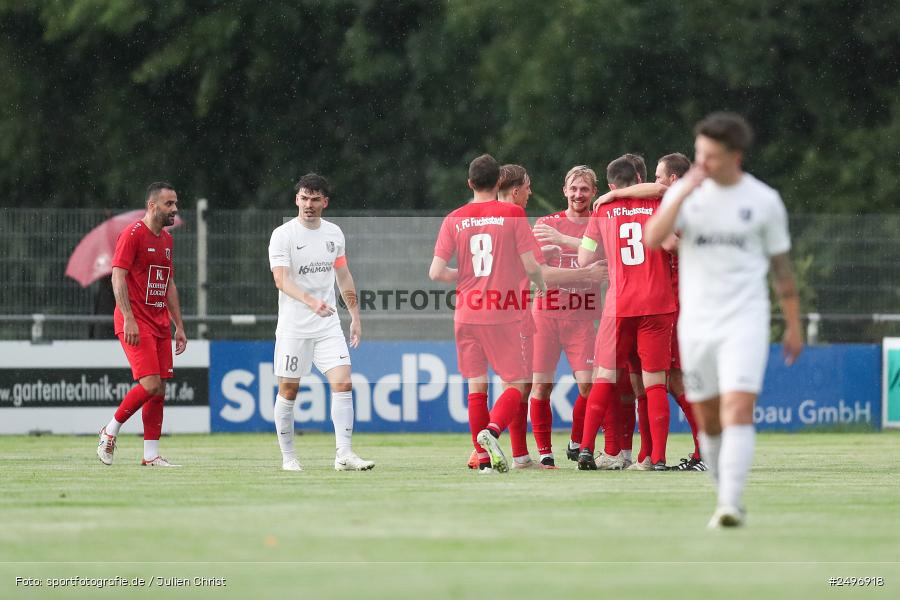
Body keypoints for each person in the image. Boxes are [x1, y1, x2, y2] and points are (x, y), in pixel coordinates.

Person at [645, 112, 803, 527]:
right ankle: (723, 489)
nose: (702, 163)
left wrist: (794, 323)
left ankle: (730, 503)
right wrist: (678, 194)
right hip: (696, 325)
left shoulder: (763, 201)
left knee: (737, 409)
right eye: (698, 154)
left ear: (735, 156)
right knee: (710, 419)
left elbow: (782, 270)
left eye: (710, 156)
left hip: (744, 322)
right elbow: (651, 236)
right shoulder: (687, 197)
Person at [430, 154, 546, 473]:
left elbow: (436, 272)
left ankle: (482, 460)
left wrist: (466, 275)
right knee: (517, 384)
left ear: (469, 183)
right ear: (498, 183)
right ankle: (492, 432)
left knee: (476, 387)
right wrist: (541, 285)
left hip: (466, 313)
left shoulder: (455, 217)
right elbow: (532, 266)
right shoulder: (512, 213)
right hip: (502, 312)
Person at [595, 153, 707, 471]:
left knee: (674, 381)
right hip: (671, 303)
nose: (655, 182)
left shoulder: (676, 203)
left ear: (673, 180)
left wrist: (614, 195)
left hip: (674, 305)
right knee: (667, 381)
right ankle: (655, 455)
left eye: (659, 176)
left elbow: (672, 242)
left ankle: (704, 452)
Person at [267, 173, 374, 472]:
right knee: (288, 391)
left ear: (325, 202)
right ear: (296, 200)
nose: (309, 204)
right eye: (304, 198)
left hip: (327, 326)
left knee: (343, 383)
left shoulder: (334, 234)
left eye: (315, 199)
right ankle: (289, 458)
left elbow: (343, 275)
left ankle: (344, 454)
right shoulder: (283, 235)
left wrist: (354, 315)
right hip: (294, 327)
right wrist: (311, 301)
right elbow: (281, 280)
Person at [577, 156, 677, 471]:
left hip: (619, 304)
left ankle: (586, 448)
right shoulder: (658, 204)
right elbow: (673, 243)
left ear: (610, 185)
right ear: (639, 176)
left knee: (604, 376)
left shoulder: (602, 211)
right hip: (657, 303)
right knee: (654, 382)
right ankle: (658, 458)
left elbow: (583, 258)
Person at [96, 182, 187, 467]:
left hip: (160, 324)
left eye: (175, 203)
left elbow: (169, 284)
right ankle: (110, 430)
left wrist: (179, 326)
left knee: (160, 389)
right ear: (152, 206)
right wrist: (130, 318)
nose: (175, 209)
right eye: (169, 204)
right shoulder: (133, 234)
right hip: (135, 323)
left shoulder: (167, 241)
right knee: (149, 385)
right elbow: (117, 277)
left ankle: (151, 455)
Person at [530, 165, 604, 465]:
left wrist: (588, 274)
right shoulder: (547, 223)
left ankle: (576, 441)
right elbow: (542, 275)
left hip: (582, 318)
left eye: (584, 189)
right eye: (573, 188)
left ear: (594, 193)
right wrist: (586, 273)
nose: (578, 194)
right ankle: (545, 455)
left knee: (589, 386)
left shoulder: (600, 224)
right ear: (564, 190)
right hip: (545, 317)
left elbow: (608, 268)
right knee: (541, 386)